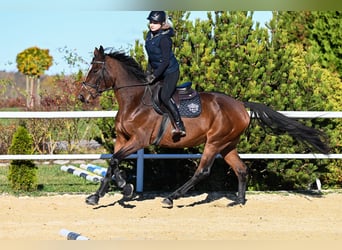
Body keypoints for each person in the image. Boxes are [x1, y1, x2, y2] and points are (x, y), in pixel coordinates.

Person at [145, 11, 186, 137]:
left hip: (170, 72)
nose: (152, 25)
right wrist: (148, 72)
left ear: (162, 24)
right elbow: (152, 57)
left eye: (155, 23)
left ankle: (180, 125)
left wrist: (154, 75)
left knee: (165, 96)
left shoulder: (164, 39)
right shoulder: (149, 35)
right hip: (158, 71)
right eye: (151, 22)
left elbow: (165, 61)